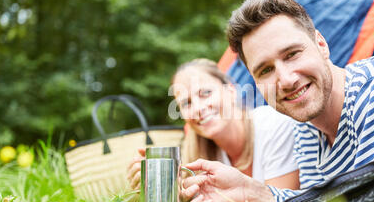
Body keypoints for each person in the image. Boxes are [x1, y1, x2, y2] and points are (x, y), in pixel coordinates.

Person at [181, 0, 374, 202]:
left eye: (292, 54)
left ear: (321, 44)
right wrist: (254, 192)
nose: (285, 80)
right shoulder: (306, 128)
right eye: (266, 70)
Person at [126, 58, 300, 192]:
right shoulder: (200, 154)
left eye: (206, 93)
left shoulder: (273, 124)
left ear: (230, 91)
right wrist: (155, 188)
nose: (198, 109)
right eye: (186, 103)